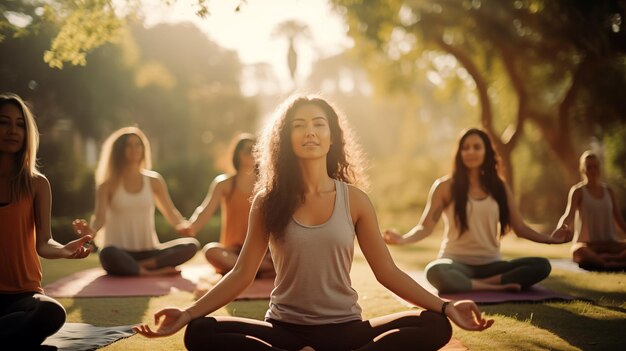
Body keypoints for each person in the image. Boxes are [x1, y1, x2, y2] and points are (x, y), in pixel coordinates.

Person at [134, 95, 493, 351]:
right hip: (284, 330)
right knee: (199, 332)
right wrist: (188, 312)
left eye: (319, 124)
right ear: (285, 139)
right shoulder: (267, 201)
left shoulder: (355, 200)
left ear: (332, 136)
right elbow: (242, 274)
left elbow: (387, 272)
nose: (310, 132)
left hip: (347, 329)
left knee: (433, 325)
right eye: (299, 125)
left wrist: (446, 306)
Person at [384, 128, 573, 294]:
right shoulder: (445, 187)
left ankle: (480, 284)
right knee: (436, 271)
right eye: (466, 147)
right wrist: (402, 239)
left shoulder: (499, 187)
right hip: (455, 264)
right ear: (459, 153)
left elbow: (520, 228)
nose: (471, 152)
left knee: (541, 265)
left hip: (492, 265)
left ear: (486, 152)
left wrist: (551, 239)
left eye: (477, 147)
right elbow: (425, 227)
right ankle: (495, 287)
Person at [0, 93, 92, 347]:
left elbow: (43, 243)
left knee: (51, 313)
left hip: (24, 296)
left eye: (20, 124)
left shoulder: (37, 184)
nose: (12, 130)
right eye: (4, 122)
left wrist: (62, 250)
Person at [72, 126, 199, 276]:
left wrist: (182, 225)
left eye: (138, 144)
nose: (134, 148)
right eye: (128, 145)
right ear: (119, 151)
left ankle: (139, 267)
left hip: (150, 251)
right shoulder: (107, 185)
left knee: (191, 245)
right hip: (119, 252)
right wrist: (90, 232)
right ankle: (152, 272)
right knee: (106, 253)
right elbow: (100, 217)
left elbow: (170, 211)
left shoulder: (154, 181)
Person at [187, 134, 274, 277]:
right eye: (248, 150)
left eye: (256, 150)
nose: (253, 154)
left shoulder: (268, 184)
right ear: (238, 154)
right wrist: (191, 226)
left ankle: (245, 270)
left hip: (262, 251)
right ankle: (261, 270)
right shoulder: (224, 183)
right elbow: (205, 209)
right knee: (211, 251)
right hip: (232, 251)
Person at [555, 150, 626, 271]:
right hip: (587, 246)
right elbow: (569, 215)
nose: (592, 170)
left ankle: (605, 260)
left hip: (610, 244)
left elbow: (619, 219)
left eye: (595, 167)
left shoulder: (609, 191)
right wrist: (559, 230)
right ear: (583, 170)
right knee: (577, 251)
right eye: (589, 167)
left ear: (599, 168)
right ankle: (610, 262)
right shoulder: (577, 191)